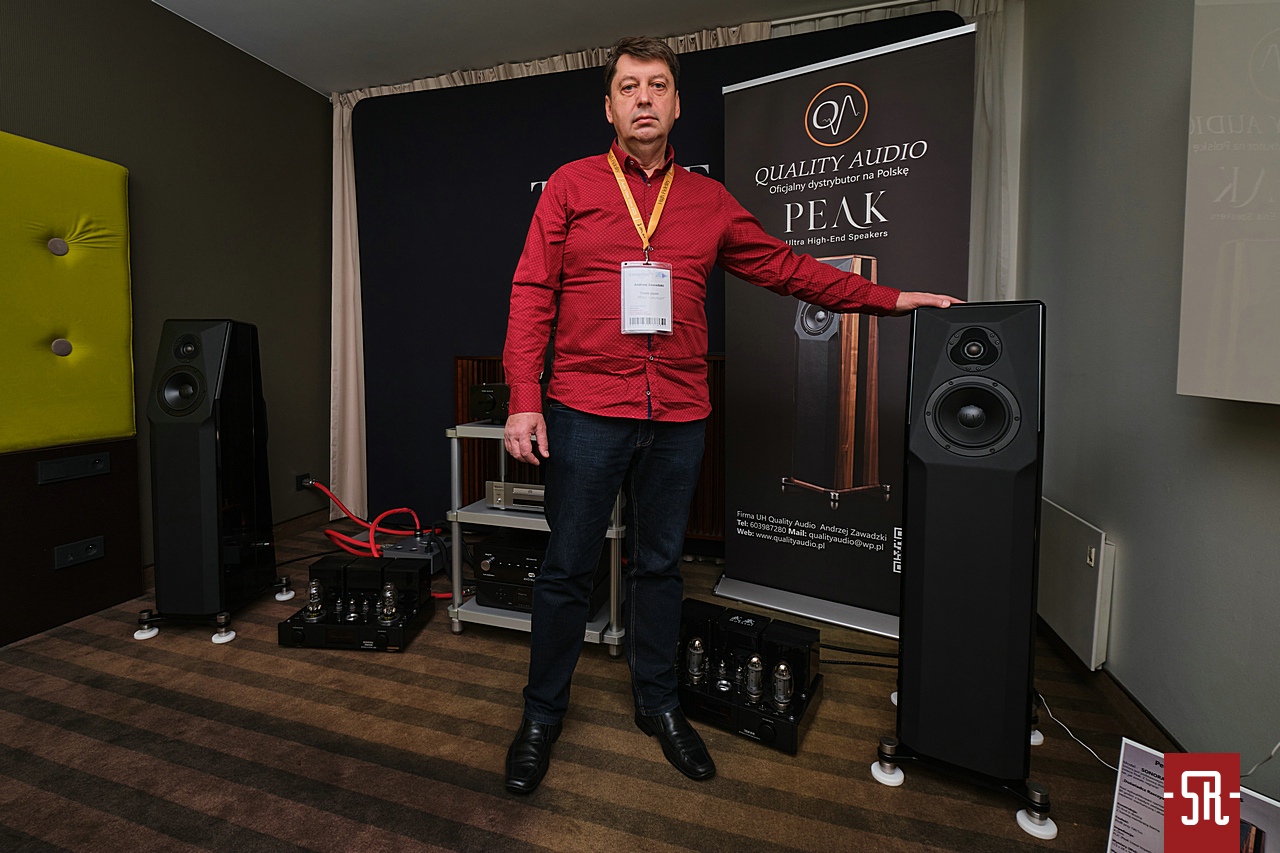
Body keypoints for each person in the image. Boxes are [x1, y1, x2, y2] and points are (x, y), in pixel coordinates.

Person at [500, 35, 959, 795]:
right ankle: (542, 714)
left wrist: (890, 299)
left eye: (657, 86)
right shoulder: (572, 186)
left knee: (660, 567)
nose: (643, 98)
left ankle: (658, 702)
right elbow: (531, 290)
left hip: (679, 412)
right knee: (567, 568)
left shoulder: (707, 201)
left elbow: (786, 268)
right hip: (585, 408)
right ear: (609, 107)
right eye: (628, 87)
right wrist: (524, 397)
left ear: (677, 104)